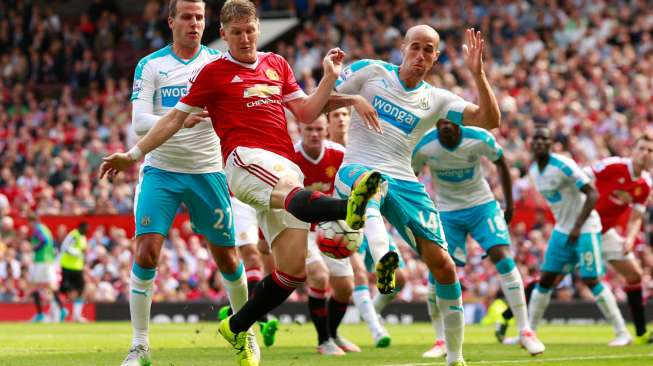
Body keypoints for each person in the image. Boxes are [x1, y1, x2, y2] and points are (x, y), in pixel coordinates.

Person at [100, 1, 382, 365]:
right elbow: (171, 119)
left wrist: (331, 79)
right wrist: (133, 154)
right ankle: (350, 208)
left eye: (250, 30)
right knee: (151, 250)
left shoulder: (277, 64)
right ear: (225, 35)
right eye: (236, 33)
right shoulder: (211, 72)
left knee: (292, 271)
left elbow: (308, 111)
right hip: (243, 160)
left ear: (258, 29)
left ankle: (237, 326)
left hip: (279, 166)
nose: (245, 38)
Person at [333, 26, 501, 366]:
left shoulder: (436, 99)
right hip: (356, 169)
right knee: (372, 186)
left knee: (444, 266)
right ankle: (384, 258)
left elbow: (489, 120)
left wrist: (478, 74)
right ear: (402, 48)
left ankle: (455, 357)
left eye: (429, 50)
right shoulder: (371, 72)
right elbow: (317, 103)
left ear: (436, 57)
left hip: (404, 181)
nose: (421, 56)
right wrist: (352, 98)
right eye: (416, 48)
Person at [117, 1, 252, 365]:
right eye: (187, 17)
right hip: (161, 169)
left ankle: (245, 333)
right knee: (146, 251)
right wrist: (178, 117)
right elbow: (139, 121)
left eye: (200, 17)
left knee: (227, 258)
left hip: (208, 171)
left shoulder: (219, 63)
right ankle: (140, 346)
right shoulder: (151, 65)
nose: (194, 23)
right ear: (171, 21)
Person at [413, 119, 544, 356]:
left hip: (481, 206)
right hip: (447, 212)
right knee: (437, 269)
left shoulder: (478, 138)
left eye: (451, 122)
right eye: (441, 121)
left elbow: (502, 163)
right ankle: (441, 340)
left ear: (460, 124)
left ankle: (525, 331)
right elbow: (410, 175)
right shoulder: (425, 145)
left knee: (502, 256)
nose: (446, 126)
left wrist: (509, 204)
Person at [527, 127, 630, 346]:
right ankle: (528, 333)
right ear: (530, 143)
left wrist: (578, 226)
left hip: (585, 228)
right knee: (545, 279)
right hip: (562, 230)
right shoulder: (534, 170)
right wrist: (568, 226)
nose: (539, 142)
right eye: (536, 139)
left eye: (544, 139)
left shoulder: (563, 165)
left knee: (591, 279)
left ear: (552, 143)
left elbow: (592, 192)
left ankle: (622, 333)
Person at [293, 115, 360, 355]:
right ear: (300, 128)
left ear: (326, 130)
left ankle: (334, 335)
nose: (314, 133)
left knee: (345, 288)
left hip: (332, 228)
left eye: (319, 129)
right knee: (319, 277)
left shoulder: (339, 154)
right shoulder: (290, 156)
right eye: (309, 128)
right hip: (300, 229)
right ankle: (323, 342)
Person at [326, 107, 392, 348]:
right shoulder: (325, 152)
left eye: (345, 114)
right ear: (328, 121)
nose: (342, 119)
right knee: (358, 274)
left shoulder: (362, 148)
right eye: (336, 114)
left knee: (402, 278)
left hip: (372, 219)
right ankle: (375, 329)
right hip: (342, 224)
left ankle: (370, 312)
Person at [587, 134, 653, 344]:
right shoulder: (613, 166)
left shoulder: (645, 184)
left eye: (650, 151)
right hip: (583, 227)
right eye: (642, 148)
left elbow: (636, 216)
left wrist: (631, 238)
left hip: (605, 232)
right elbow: (582, 176)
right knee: (553, 277)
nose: (645, 154)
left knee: (634, 275)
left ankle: (640, 332)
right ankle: (511, 318)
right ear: (633, 150)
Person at [28, 213, 66, 323]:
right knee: (48, 286)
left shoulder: (37, 229)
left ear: (31, 221)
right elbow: (51, 242)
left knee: (35, 286)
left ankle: (40, 314)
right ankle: (61, 309)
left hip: (41, 261)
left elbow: (43, 240)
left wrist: (35, 248)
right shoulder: (46, 228)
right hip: (48, 260)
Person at [58, 221, 89, 322]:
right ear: (81, 227)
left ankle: (76, 315)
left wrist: (84, 264)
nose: (87, 230)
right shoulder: (74, 235)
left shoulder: (83, 237)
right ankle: (59, 312)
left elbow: (83, 252)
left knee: (81, 290)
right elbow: (65, 247)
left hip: (77, 268)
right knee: (64, 290)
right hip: (67, 267)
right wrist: (77, 253)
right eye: (86, 228)